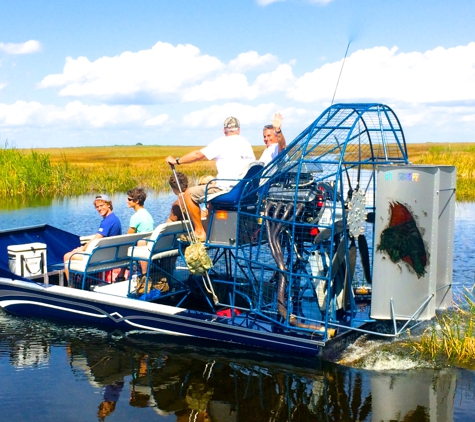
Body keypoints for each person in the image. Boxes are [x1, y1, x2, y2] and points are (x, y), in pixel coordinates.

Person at [165, 116, 255, 241]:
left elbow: (198, 155)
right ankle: (208, 232)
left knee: (189, 194)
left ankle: (199, 232)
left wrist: (177, 161)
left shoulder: (222, 142)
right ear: (239, 130)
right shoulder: (246, 144)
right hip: (244, 192)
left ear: (224, 130)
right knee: (211, 199)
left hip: (228, 191)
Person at [63, 194, 122, 283]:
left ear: (108, 204)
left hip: (103, 257)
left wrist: (82, 249)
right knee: (77, 252)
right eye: (97, 207)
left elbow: (97, 238)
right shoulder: (115, 219)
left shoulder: (107, 221)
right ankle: (85, 281)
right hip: (111, 253)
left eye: (101, 205)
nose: (99, 209)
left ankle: (71, 286)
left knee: (67, 256)